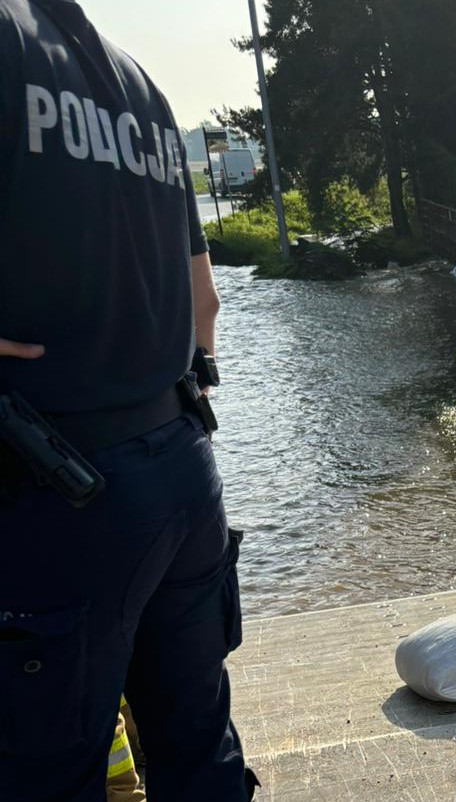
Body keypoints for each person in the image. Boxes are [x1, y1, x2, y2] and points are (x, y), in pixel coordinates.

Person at [0, 0, 255, 799]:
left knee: (47, 779)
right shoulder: (139, 86)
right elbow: (203, 304)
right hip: (182, 472)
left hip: (52, 497)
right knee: (198, 753)